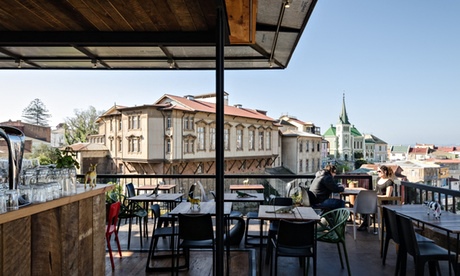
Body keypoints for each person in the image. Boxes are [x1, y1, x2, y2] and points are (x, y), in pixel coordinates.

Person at [357, 165, 395, 231]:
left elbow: (388, 196)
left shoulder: (389, 182)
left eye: (379, 171)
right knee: (362, 203)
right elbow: (376, 191)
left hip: (382, 202)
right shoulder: (378, 179)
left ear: (385, 172)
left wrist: (377, 197)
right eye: (377, 171)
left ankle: (367, 222)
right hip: (375, 200)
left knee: (366, 205)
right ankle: (367, 220)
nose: (378, 172)